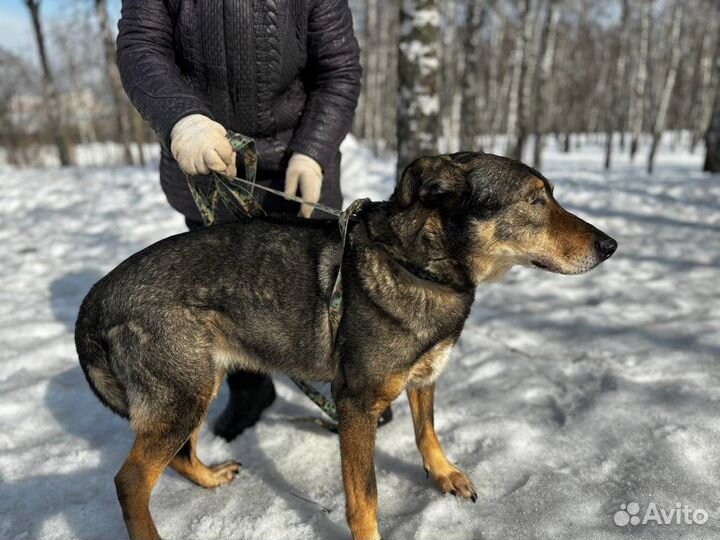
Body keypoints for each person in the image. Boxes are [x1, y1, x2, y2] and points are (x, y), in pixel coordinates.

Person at [116, 0, 376, 441]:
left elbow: (339, 71)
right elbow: (142, 48)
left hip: (298, 162)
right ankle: (250, 391)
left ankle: (350, 388)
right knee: (226, 294)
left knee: (322, 285)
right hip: (207, 160)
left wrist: (314, 150)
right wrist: (182, 119)